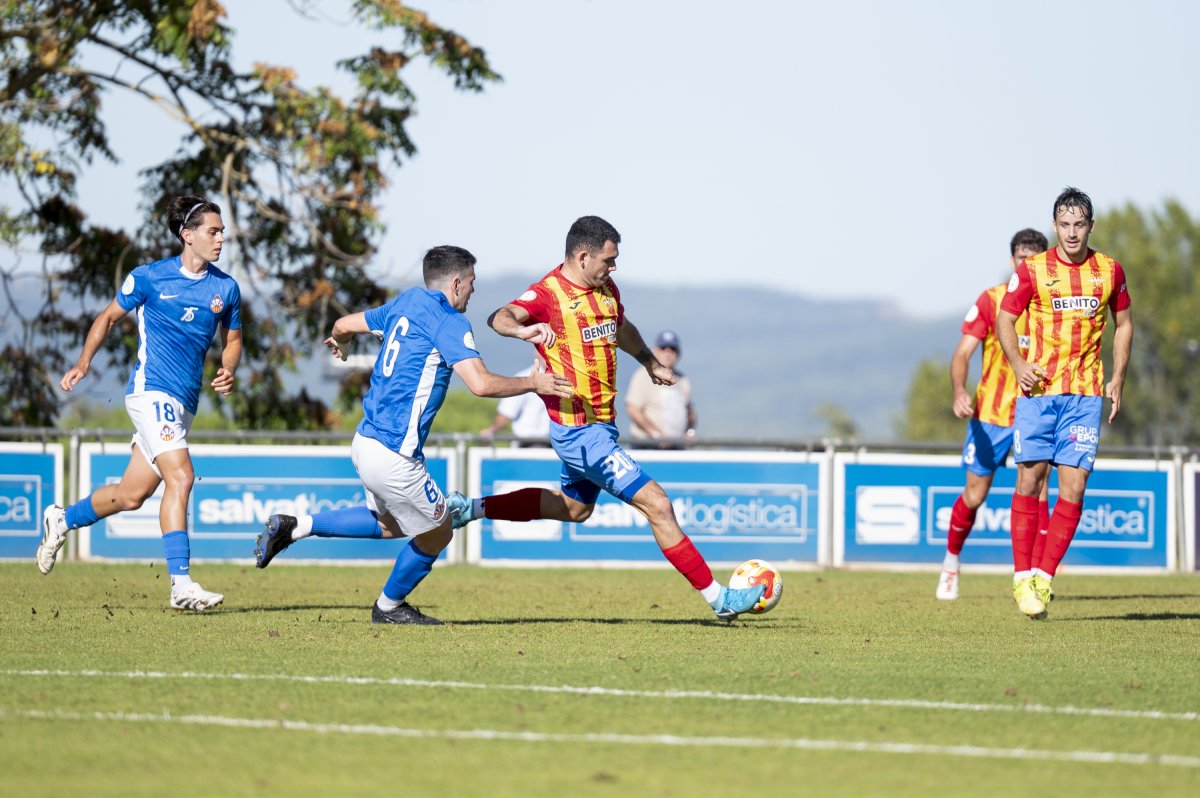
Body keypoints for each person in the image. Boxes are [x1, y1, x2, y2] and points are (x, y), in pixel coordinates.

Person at [446, 216, 764, 621]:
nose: (613, 268)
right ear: (583, 256)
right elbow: (500, 317)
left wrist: (649, 361)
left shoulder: (605, 289)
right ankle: (720, 599)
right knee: (658, 504)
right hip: (579, 432)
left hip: (601, 427)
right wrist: (523, 332)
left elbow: (622, 328)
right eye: (608, 260)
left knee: (574, 509)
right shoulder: (549, 293)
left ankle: (472, 509)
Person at [252, 245, 572, 625]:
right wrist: (535, 383)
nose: (473, 290)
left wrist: (344, 340)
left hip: (364, 442)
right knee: (439, 532)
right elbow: (481, 385)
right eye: (471, 283)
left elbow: (343, 324)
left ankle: (296, 527)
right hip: (394, 455)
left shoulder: (406, 303)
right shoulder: (448, 321)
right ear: (455, 283)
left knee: (391, 523)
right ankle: (388, 607)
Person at [37, 195, 241, 612]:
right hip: (150, 392)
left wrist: (228, 367)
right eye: (213, 231)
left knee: (131, 496)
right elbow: (107, 317)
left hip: (182, 403)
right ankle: (181, 585)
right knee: (181, 477)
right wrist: (82, 363)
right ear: (187, 235)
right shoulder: (149, 278)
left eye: (222, 232)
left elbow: (233, 340)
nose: (221, 238)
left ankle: (62, 518)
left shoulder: (226, 288)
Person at [997, 187, 1133, 619]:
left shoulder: (1109, 270)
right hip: (1039, 393)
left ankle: (1043, 578)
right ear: (1054, 226)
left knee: (1074, 487)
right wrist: (1017, 364)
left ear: (1091, 226)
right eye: (1065, 224)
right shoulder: (1034, 270)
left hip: (1085, 394)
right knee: (1030, 482)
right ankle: (1022, 577)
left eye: (1080, 225)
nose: (1072, 233)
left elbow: (1124, 323)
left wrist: (1118, 378)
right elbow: (1006, 318)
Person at [937, 228, 1051, 601]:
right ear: (1012, 261)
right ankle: (951, 564)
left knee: (1037, 493)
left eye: (1033, 259)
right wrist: (958, 390)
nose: (1026, 264)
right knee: (974, 495)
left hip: (1033, 415)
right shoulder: (992, 300)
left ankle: (1034, 579)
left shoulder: (1052, 305)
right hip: (989, 416)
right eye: (1021, 257)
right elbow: (962, 353)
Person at [625, 330, 697, 448]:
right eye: (664, 348)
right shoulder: (643, 375)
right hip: (647, 445)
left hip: (676, 447)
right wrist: (655, 434)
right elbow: (633, 408)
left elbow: (690, 411)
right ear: (655, 351)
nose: (668, 353)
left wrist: (689, 432)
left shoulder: (682, 379)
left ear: (678, 354)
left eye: (673, 349)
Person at [478, 359, 552, 446]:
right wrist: (492, 430)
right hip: (526, 444)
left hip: (551, 444)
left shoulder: (524, 378)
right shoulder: (524, 378)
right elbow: (506, 413)